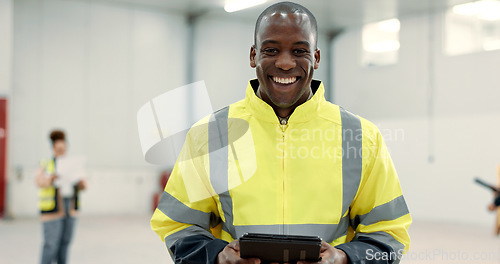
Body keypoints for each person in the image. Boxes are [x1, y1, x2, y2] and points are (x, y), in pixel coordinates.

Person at [151, 2, 411, 264]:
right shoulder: (209, 135)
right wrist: (219, 257)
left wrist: (344, 258)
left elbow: (389, 233)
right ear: (253, 55)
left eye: (299, 50)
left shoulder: (360, 136)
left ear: (316, 58)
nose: (285, 63)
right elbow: (177, 225)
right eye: (271, 50)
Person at [36, 130, 87, 264]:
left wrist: (81, 183)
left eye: (63, 149)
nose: (61, 152)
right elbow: (39, 181)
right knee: (51, 244)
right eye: (58, 149)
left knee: (65, 243)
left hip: (69, 208)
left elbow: (85, 185)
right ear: (53, 148)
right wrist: (51, 179)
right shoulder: (46, 164)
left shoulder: (74, 165)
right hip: (52, 210)